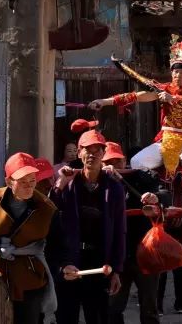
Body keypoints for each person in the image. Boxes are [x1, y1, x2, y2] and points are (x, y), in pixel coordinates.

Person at [89, 34, 182, 190]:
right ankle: (155, 189)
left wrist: (173, 99)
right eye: (175, 71)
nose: (178, 75)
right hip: (164, 140)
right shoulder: (162, 89)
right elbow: (135, 96)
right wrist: (104, 102)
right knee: (137, 162)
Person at [0, 152, 75, 324]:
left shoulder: (47, 209)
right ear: (8, 181)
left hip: (30, 277)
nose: (29, 187)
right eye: (22, 182)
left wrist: (65, 264)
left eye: (32, 181)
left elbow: (58, 245)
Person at [50, 130, 126, 324]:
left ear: (103, 154)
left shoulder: (114, 188)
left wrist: (116, 269)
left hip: (99, 264)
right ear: (79, 153)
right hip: (70, 261)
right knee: (66, 316)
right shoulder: (68, 183)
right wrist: (59, 185)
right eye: (87, 150)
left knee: (99, 316)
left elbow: (119, 230)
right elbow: (49, 216)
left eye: (97, 150)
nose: (92, 154)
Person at [101, 142, 164, 324]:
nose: (113, 165)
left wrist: (122, 179)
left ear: (125, 160)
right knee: (113, 308)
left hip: (145, 254)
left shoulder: (141, 175)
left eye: (117, 161)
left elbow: (157, 191)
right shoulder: (100, 183)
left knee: (149, 309)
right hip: (117, 257)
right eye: (109, 161)